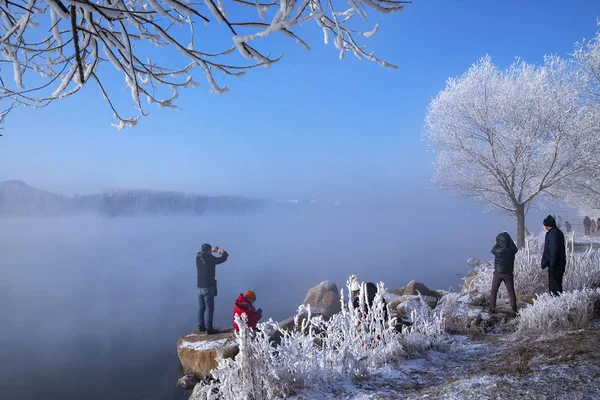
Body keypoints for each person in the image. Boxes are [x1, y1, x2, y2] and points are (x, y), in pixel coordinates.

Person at [196, 243, 229, 334]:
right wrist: (219, 250)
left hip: (199, 287)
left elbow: (204, 253)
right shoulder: (210, 259)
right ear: (209, 251)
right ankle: (209, 328)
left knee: (201, 307)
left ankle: (201, 326)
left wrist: (210, 251)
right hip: (208, 287)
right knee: (209, 308)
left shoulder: (198, 257)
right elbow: (223, 258)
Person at [489, 232, 518, 315]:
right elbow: (515, 248)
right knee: (511, 291)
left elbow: (493, 249)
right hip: (508, 274)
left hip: (498, 273)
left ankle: (492, 308)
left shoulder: (496, 250)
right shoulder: (512, 250)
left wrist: (498, 242)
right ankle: (514, 309)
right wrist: (510, 240)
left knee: (494, 291)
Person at [541, 215, 566, 296]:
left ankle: (555, 302)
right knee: (557, 284)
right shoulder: (557, 232)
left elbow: (553, 249)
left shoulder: (553, 234)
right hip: (559, 262)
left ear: (547, 225)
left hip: (555, 264)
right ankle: (558, 300)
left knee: (554, 286)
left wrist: (552, 263)